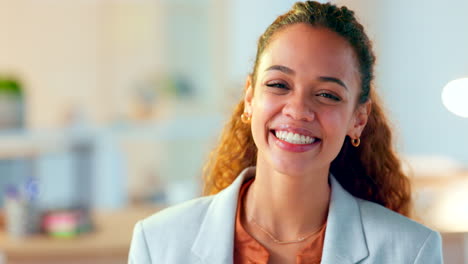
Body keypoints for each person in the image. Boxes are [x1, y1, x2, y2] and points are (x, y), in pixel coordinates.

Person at [128, 1, 443, 263]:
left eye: (327, 94)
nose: (298, 110)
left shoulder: (411, 251)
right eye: (279, 85)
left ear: (358, 118)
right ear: (249, 98)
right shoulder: (157, 243)